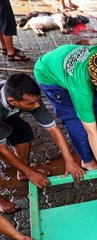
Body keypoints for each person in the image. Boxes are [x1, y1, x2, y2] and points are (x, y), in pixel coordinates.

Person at [0, 74, 84, 212]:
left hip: (5, 115)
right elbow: (3, 150)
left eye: (37, 100)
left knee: (23, 132)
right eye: (31, 104)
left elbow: (54, 130)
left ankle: (23, 172)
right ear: (12, 101)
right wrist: (32, 174)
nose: (37, 105)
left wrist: (69, 160)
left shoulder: (30, 97)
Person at [34, 45, 97, 179]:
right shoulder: (81, 89)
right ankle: (87, 161)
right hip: (48, 74)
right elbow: (89, 130)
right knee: (75, 121)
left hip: (64, 64)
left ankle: (92, 134)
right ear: (95, 81)